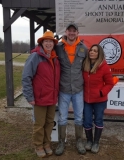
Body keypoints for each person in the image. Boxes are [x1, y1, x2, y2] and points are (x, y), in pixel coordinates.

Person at [22, 30, 60, 158]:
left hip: (52, 97)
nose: (48, 43)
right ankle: (38, 145)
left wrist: (57, 95)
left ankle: (46, 143)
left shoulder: (55, 58)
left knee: (49, 122)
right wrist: (29, 96)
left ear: (54, 44)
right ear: (42, 43)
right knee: (39, 124)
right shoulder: (35, 57)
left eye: (51, 41)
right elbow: (26, 77)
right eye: (46, 41)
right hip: (39, 98)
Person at [55, 22, 88, 155]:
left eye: (74, 31)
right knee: (62, 117)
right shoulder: (58, 47)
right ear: (66, 32)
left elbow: (87, 67)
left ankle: (79, 141)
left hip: (78, 89)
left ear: (77, 33)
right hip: (63, 89)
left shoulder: (83, 48)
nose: (72, 33)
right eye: (69, 31)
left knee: (79, 117)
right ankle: (61, 142)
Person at [82, 44, 114, 153]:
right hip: (86, 100)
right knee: (86, 121)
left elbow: (110, 83)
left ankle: (96, 143)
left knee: (98, 120)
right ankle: (89, 141)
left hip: (100, 100)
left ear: (99, 53)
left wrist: (102, 92)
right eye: (91, 50)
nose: (92, 52)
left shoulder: (104, 66)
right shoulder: (84, 65)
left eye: (95, 51)